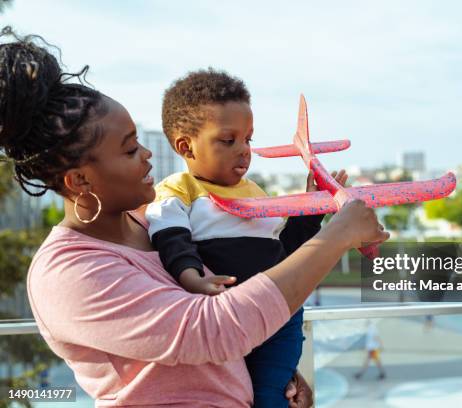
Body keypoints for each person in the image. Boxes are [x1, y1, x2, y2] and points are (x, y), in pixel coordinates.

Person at [0, 27, 389, 407]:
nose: (149, 155)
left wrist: (271, 374)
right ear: (80, 179)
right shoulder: (68, 272)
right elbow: (211, 330)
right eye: (130, 149)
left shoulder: (148, 222)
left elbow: (233, 311)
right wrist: (336, 236)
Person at [146, 69, 348, 407]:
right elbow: (170, 238)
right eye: (229, 140)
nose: (244, 151)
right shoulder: (177, 191)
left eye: (248, 139)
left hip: (279, 316)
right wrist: (191, 277)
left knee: (271, 395)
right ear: (186, 146)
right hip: (227, 318)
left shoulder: (256, 193)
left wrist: (312, 210)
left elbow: (282, 251)